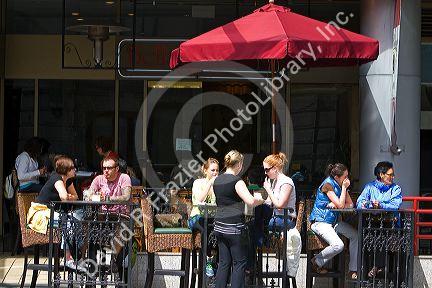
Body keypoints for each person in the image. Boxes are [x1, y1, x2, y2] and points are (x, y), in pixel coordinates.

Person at [213, 150, 264, 288]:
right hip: (234, 228)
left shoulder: (217, 179)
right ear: (239, 164)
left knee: (223, 263)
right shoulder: (237, 181)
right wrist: (261, 199)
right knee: (239, 263)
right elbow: (250, 201)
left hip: (219, 226)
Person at [28, 155, 84, 272]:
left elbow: (76, 197)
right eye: (73, 168)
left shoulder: (67, 181)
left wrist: (69, 196)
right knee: (68, 223)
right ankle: (68, 258)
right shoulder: (57, 178)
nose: (75, 170)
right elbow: (64, 197)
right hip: (41, 215)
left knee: (77, 220)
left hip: (53, 214)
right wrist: (68, 196)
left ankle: (77, 257)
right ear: (66, 169)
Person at [309, 163, 358, 279]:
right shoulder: (327, 185)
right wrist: (344, 190)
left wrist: (339, 202)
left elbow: (350, 204)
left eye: (347, 176)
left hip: (333, 222)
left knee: (355, 235)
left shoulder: (339, 185)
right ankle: (316, 261)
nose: (347, 179)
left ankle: (352, 270)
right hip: (320, 222)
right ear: (337, 177)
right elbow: (341, 204)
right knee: (338, 245)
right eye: (345, 177)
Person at [356, 161, 402, 277]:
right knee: (373, 234)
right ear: (381, 175)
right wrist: (370, 204)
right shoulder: (369, 187)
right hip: (372, 224)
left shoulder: (396, 188)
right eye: (390, 174)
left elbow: (395, 205)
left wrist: (381, 205)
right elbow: (359, 202)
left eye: (393, 175)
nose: (392, 177)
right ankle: (371, 271)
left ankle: (377, 267)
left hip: (392, 226)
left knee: (382, 233)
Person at [188, 158, 219, 277]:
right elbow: (199, 199)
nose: (215, 173)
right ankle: (209, 259)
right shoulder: (198, 183)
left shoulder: (219, 184)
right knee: (206, 225)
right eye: (212, 170)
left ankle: (219, 261)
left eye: (217, 170)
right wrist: (210, 184)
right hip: (196, 217)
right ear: (205, 170)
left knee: (220, 227)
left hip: (211, 217)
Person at [262, 152, 297, 231]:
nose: (265, 173)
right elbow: (272, 202)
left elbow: (280, 206)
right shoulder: (275, 182)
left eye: (266, 170)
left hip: (285, 220)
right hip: (277, 219)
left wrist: (268, 189)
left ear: (274, 168)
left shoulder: (286, 182)